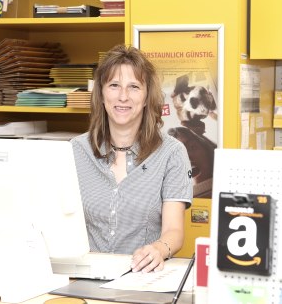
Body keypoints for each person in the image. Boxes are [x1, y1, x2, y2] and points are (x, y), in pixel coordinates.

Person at [71, 44, 193, 273]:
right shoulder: (75, 151)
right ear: (102, 94)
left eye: (134, 87)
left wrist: (159, 248)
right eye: (114, 85)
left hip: (141, 278)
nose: (123, 97)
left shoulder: (172, 154)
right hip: (83, 277)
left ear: (147, 97)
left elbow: (174, 232)